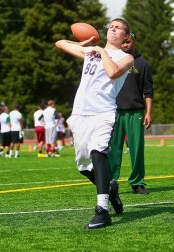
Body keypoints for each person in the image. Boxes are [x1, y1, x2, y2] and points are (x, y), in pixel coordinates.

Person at [55, 18, 134, 230]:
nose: (113, 29)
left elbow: (112, 72)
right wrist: (82, 45)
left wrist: (102, 52)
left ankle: (102, 210)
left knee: (98, 152)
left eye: (118, 28)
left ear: (126, 36)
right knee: (83, 165)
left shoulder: (126, 58)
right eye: (111, 26)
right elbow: (60, 43)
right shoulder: (91, 52)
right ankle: (110, 188)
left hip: (103, 113)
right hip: (80, 113)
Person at [108, 32, 153, 194]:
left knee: (137, 149)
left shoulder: (143, 64)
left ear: (134, 41)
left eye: (128, 42)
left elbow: (148, 90)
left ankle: (137, 182)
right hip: (114, 111)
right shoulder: (113, 61)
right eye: (123, 42)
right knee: (113, 149)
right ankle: (110, 181)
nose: (125, 45)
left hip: (136, 112)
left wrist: (148, 112)